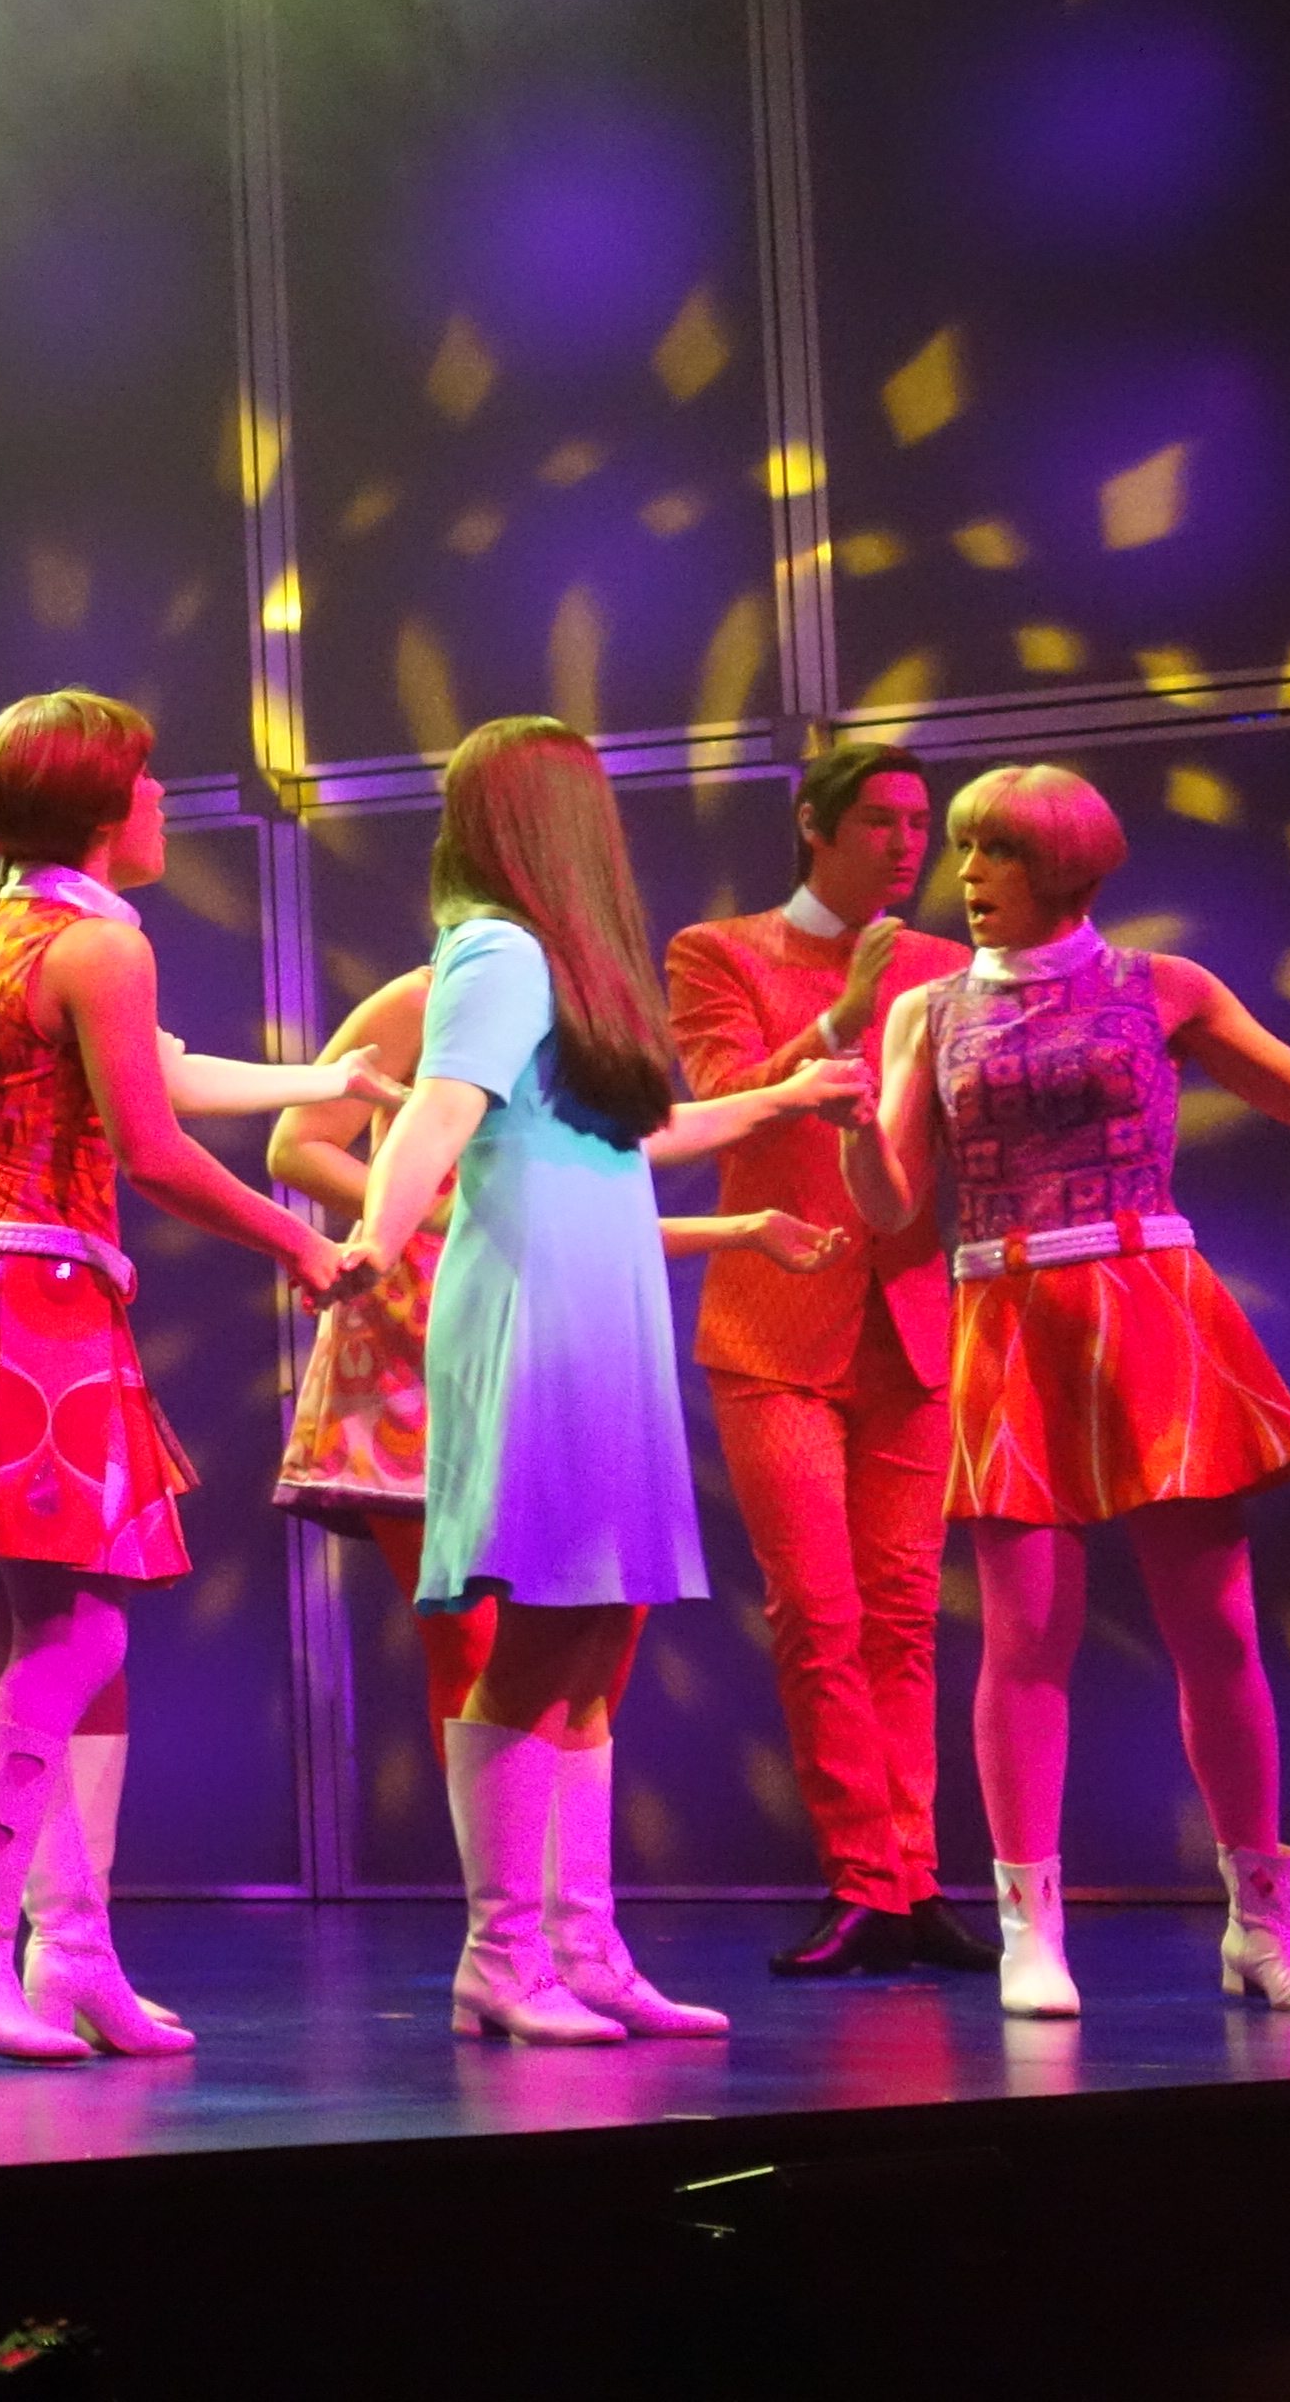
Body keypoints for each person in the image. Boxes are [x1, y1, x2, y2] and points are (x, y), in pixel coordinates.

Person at [841, 762, 1290, 2020]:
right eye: (963, 850)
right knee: (1026, 1633)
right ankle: (1030, 1929)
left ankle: (1262, 1921)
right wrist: (854, 1112)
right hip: (1009, 1313)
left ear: (1062, 867)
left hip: (1146, 1299)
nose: (966, 875)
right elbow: (891, 1203)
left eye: (994, 852)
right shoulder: (928, 1009)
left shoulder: (1160, 984)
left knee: (1218, 1627)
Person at [0, 748, 390, 2037]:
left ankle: (61, 1942)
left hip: (7, 1280)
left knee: (54, 1635)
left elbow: (151, 1078)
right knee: (18, 1632)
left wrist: (325, 1082)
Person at [339, 718, 864, 2047]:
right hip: (539, 1305)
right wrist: (372, 1238)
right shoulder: (499, 950)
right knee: (543, 1630)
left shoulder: (564, 965)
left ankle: (582, 1944)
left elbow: (627, 1135)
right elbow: (441, 1110)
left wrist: (787, 1097)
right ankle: (501, 1955)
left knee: (592, 1634)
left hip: (599, 1296)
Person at [269, 978, 835, 1789]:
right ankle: (501, 1870)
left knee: (599, 1630)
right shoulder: (427, 998)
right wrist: (434, 1213)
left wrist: (747, 1213)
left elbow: (607, 1178)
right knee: (470, 1639)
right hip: (418, 1355)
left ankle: (564, 1867)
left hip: (553, 1348)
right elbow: (298, 1144)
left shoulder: (587, 1017)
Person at [664, 741, 993, 1981]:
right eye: (882, 822)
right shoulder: (720, 950)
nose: (908, 845)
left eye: (920, 823)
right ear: (816, 824)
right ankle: (862, 1877)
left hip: (907, 1317)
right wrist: (842, 1019)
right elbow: (718, 1098)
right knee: (818, 1610)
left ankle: (914, 1878)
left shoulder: (948, 964)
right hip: (773, 1323)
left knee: (905, 1614)